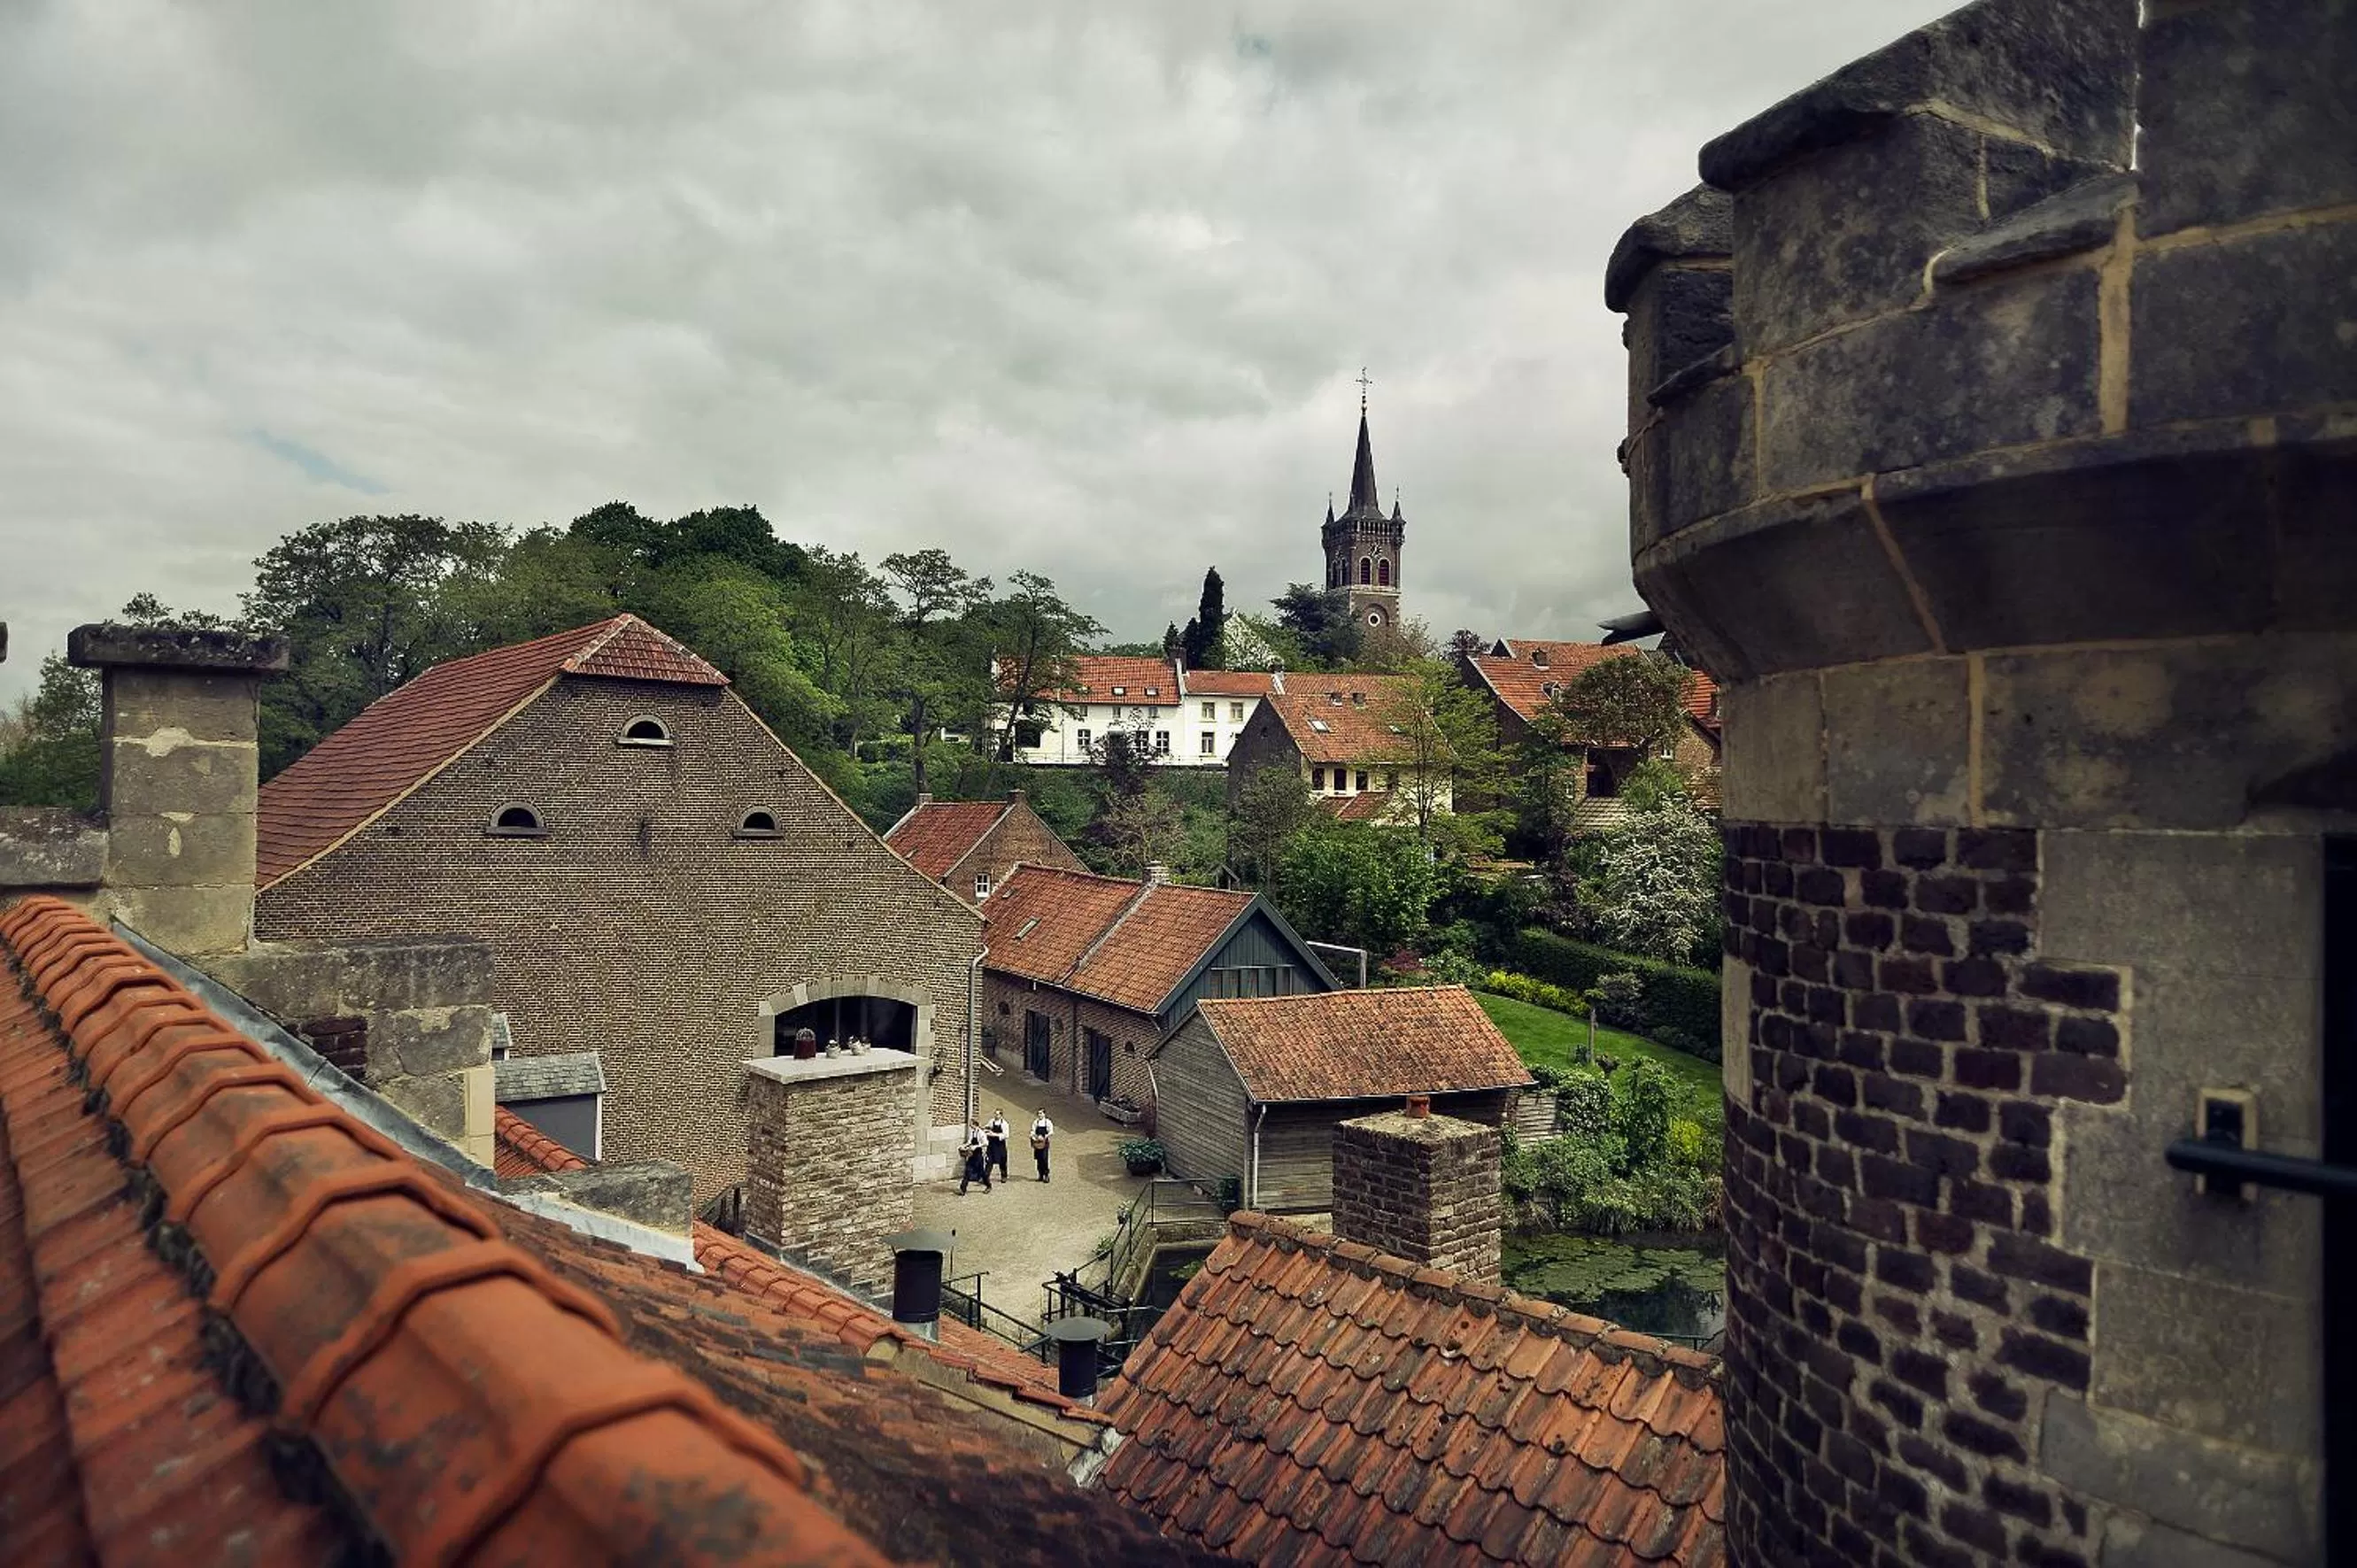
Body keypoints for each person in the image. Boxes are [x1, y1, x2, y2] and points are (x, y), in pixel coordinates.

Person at [958, 1125, 992, 1194]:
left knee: (982, 1172)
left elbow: (986, 1143)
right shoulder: (973, 1132)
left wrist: (976, 1146)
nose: (971, 1126)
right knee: (968, 1170)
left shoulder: (981, 1133)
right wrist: (964, 1146)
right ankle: (963, 1189)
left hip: (979, 1155)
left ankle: (988, 1185)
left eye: (972, 1125)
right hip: (972, 1155)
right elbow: (969, 1142)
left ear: (975, 1125)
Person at [985, 1112, 1010, 1182]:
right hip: (992, 1144)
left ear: (1001, 1115)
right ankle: (986, 1176)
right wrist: (986, 1131)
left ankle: (1004, 1176)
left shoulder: (1004, 1124)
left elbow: (1006, 1135)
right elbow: (987, 1127)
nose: (996, 1115)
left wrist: (995, 1135)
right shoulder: (991, 1121)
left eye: (998, 1114)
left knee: (1002, 1160)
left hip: (1000, 1144)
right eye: (995, 1114)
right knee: (989, 1160)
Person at [1030, 1108, 1055, 1183]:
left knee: (1044, 1159)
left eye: (1041, 1113)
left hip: (1044, 1143)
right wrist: (1035, 1137)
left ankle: (1046, 1175)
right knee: (1038, 1159)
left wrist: (1044, 1136)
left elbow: (1051, 1132)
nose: (1039, 1115)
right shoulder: (1036, 1122)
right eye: (1038, 1113)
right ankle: (1040, 1175)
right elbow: (1033, 1131)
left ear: (1044, 1114)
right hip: (1037, 1143)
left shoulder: (1047, 1122)